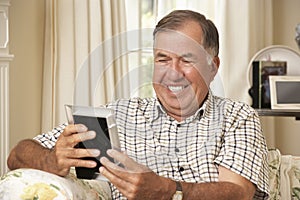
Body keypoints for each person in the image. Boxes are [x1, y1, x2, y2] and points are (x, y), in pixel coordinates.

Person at [7, 10, 269, 199]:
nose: (172, 72)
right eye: (163, 59)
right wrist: (51, 159)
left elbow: (238, 192)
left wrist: (168, 190)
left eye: (187, 59)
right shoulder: (118, 115)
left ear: (213, 67)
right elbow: (18, 154)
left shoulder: (237, 116)